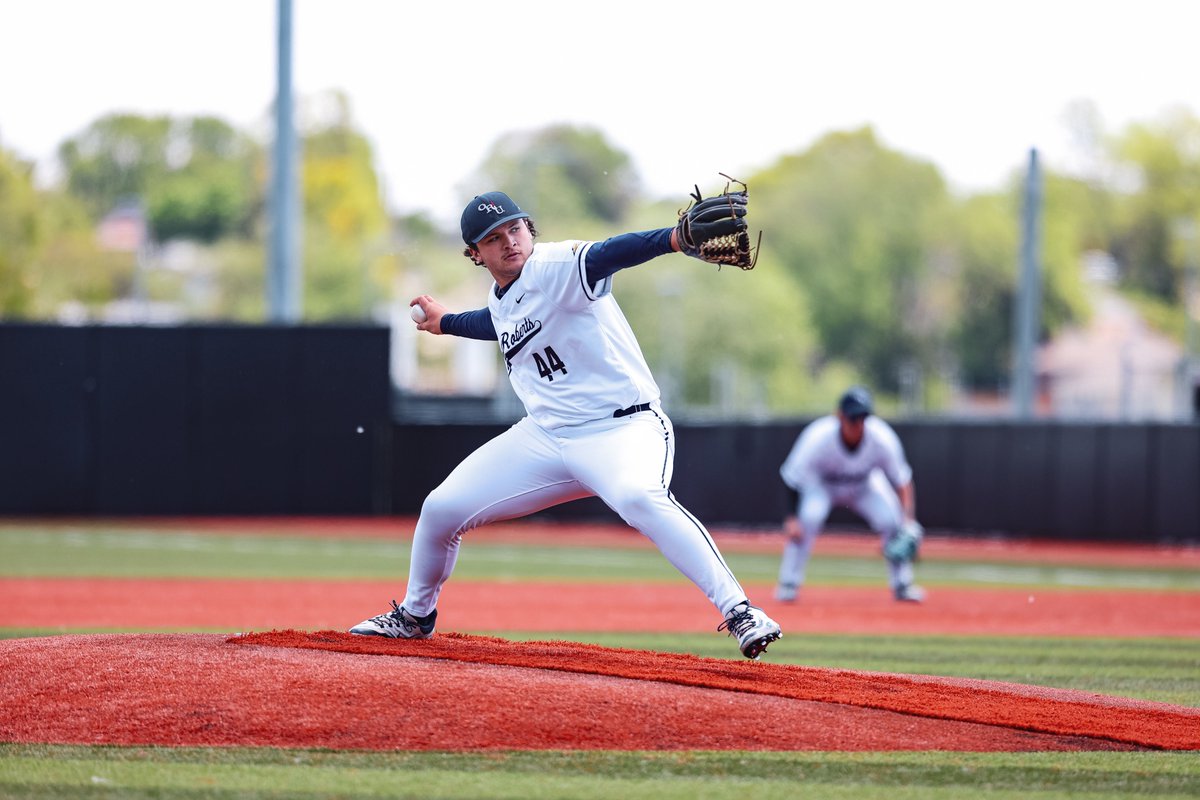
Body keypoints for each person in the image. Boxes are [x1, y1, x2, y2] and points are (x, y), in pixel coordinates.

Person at [350, 190, 782, 659]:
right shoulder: (504, 297)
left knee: (640, 497)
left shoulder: (552, 267)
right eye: (493, 239)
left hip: (623, 430)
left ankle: (739, 610)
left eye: (515, 229)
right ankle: (416, 617)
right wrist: (447, 322)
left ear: (529, 229)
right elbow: (496, 322)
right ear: (476, 254)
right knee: (440, 509)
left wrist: (672, 239)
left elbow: (610, 252)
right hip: (547, 438)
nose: (509, 242)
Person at [776, 386, 925, 603]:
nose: (858, 424)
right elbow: (791, 477)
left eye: (863, 417)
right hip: (822, 485)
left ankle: (902, 585)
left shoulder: (881, 437)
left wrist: (908, 522)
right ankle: (789, 583)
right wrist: (791, 518)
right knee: (808, 518)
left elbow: (902, 482)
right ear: (839, 416)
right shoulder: (817, 436)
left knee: (892, 520)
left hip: (864, 484)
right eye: (853, 418)